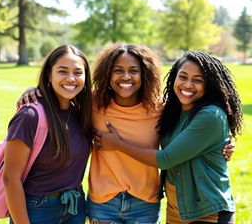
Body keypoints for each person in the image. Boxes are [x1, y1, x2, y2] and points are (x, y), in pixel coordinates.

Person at [16, 45, 235, 224]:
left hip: (144, 202)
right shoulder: (92, 103)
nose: (126, 77)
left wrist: (223, 143)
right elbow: (62, 92)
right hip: (104, 202)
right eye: (118, 70)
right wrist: (35, 91)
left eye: (134, 70)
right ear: (107, 73)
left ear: (144, 74)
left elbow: (191, 132)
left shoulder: (161, 109)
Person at [96, 50, 243, 223]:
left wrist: (118, 144)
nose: (188, 84)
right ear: (174, 78)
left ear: (209, 84)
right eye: (183, 77)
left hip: (207, 210)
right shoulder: (174, 111)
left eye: (198, 80)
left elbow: (165, 159)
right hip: (176, 209)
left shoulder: (211, 115)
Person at [3, 45, 93, 224]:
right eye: (62, 71)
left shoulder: (81, 113)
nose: (71, 78)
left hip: (74, 207)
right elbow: (10, 178)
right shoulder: (29, 116)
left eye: (78, 72)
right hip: (37, 210)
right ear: (49, 75)